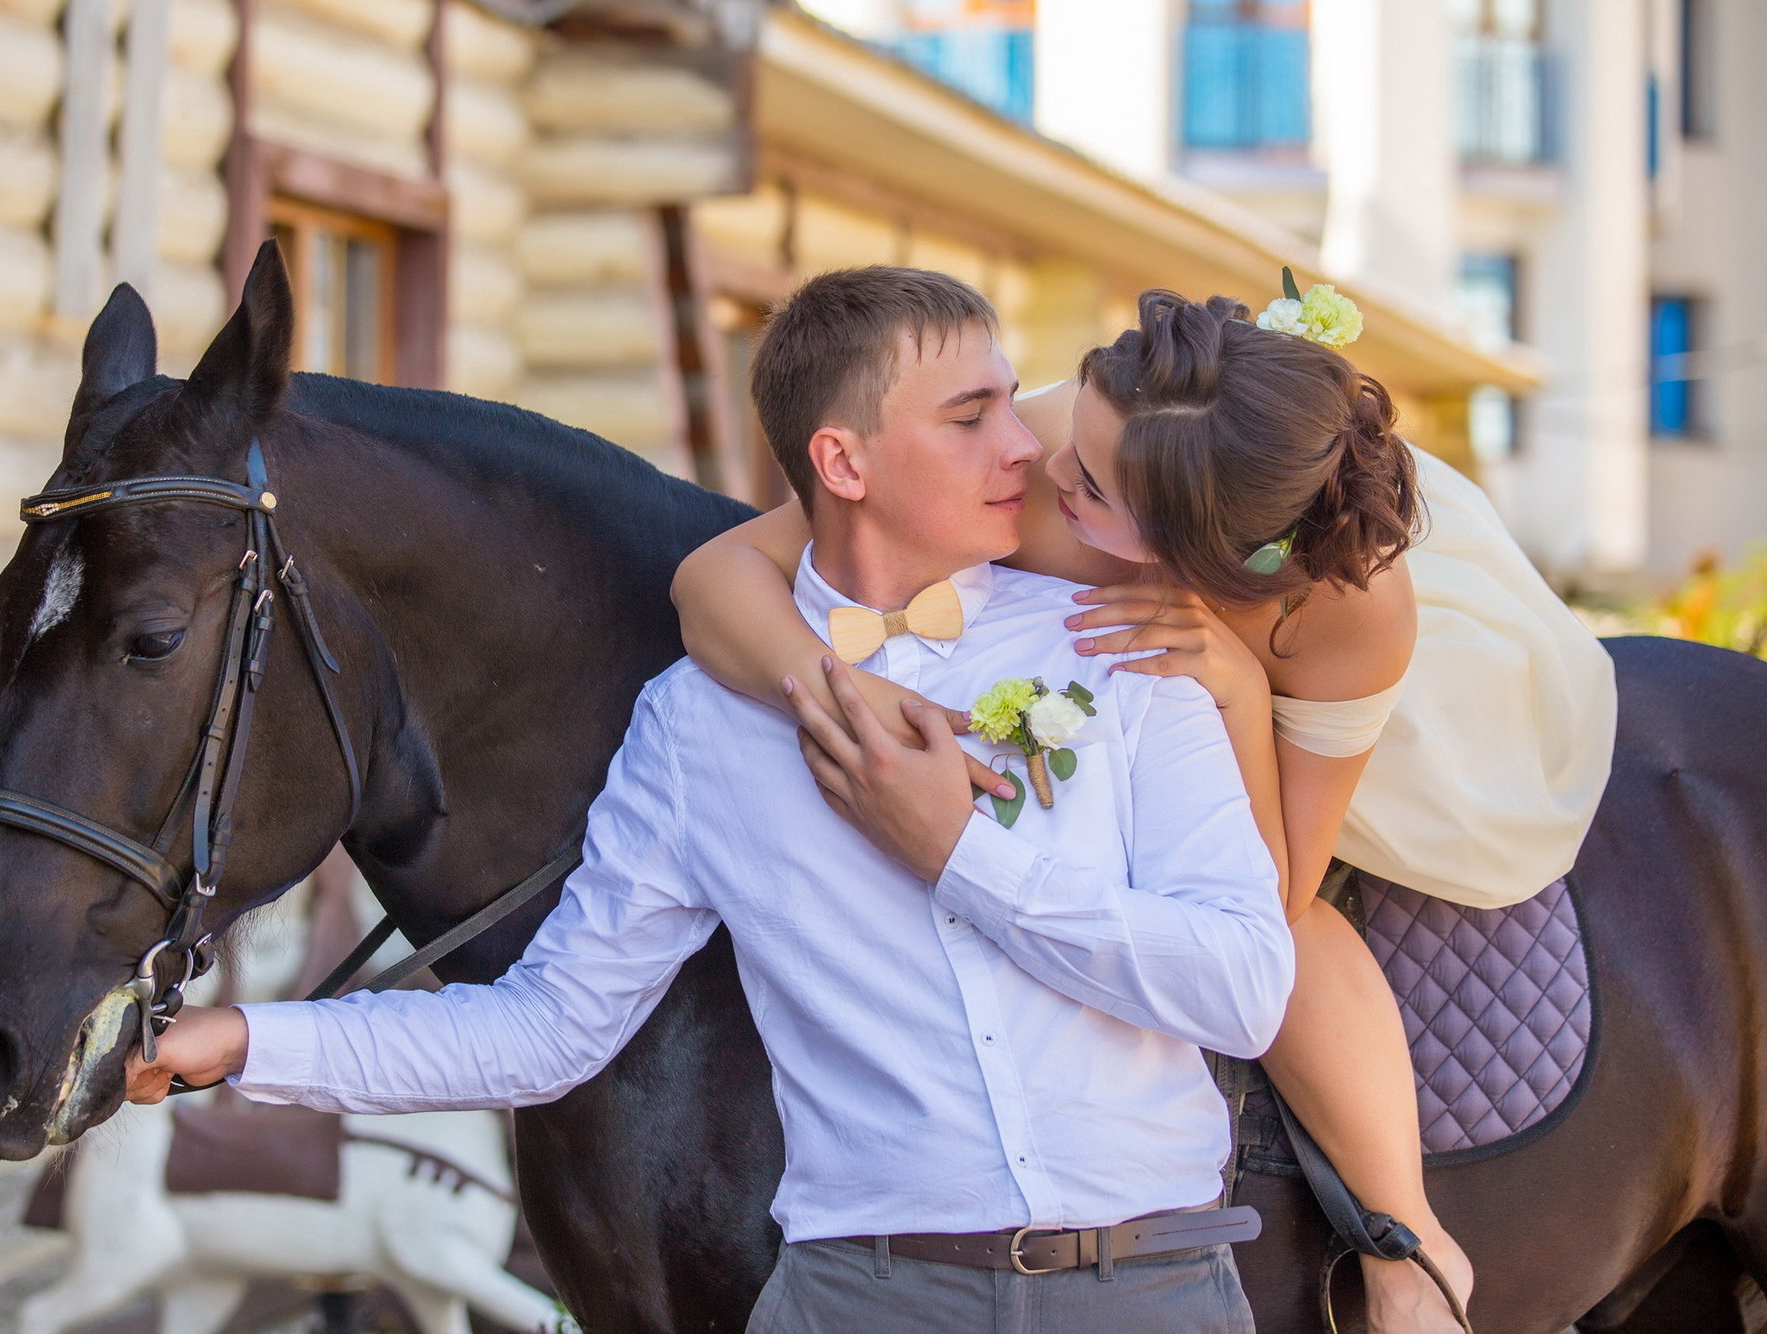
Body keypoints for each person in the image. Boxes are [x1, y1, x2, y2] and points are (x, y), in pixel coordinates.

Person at [125, 268, 1297, 1332]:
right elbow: (551, 1025)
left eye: (1009, 399)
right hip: (857, 1299)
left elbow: (1241, 988)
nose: (1025, 449)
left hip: (1152, 1288)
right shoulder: (696, 725)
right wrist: (243, 1038)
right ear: (842, 463)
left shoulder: (1122, 652)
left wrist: (957, 852)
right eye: (970, 416)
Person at [671, 285, 1618, 1334]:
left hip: (1299, 715)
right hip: (1105, 684)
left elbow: (1274, 887)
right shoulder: (1051, 445)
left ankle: (1409, 1242)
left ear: (1174, 546)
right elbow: (717, 572)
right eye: (1064, 433)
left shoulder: (1342, 616)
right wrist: (841, 687)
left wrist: (1241, 693)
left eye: (1082, 482)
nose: (1034, 465)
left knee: (1297, 925)